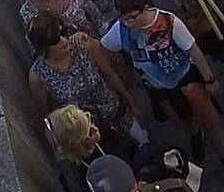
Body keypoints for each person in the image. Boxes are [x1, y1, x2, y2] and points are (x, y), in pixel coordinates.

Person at [102, 0, 224, 183]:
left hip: (186, 78)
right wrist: (129, 71)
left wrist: (209, 79)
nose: (127, 22)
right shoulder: (120, 30)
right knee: (180, 120)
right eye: (123, 17)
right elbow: (103, 47)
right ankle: (195, 133)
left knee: (208, 118)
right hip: (159, 87)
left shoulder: (169, 22)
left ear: (145, 9)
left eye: (132, 17)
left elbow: (193, 50)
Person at [26, 11, 143, 144]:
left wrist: (132, 103)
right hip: (89, 135)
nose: (63, 40)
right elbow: (48, 116)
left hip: (116, 112)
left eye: (63, 32)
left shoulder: (84, 46)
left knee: (145, 145)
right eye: (55, 39)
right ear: (44, 46)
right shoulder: (38, 76)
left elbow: (109, 74)